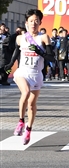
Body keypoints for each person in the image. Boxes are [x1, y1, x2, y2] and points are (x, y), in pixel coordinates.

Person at [5, 9, 54, 145]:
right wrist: (10, 64)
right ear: (26, 23)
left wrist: (40, 51)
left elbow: (52, 58)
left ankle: (28, 129)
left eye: (36, 21)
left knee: (32, 105)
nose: (33, 23)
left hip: (36, 74)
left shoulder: (44, 38)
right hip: (22, 72)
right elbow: (16, 52)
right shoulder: (21, 38)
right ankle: (21, 121)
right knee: (25, 92)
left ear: (40, 22)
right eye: (31, 21)